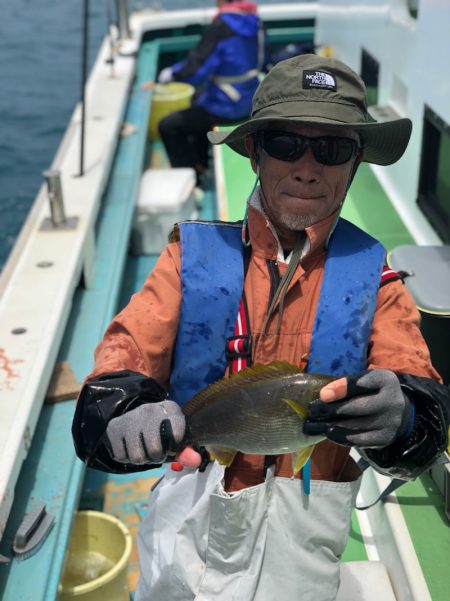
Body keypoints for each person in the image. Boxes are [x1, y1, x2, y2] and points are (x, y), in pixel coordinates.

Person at [72, 54, 450, 601]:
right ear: (254, 151)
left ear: (356, 161)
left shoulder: (380, 283)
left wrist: (409, 415)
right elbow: (125, 351)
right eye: (285, 144)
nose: (306, 166)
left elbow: (419, 392)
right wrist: (117, 409)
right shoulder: (188, 257)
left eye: (332, 148)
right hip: (187, 518)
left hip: (306, 543)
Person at [156, 0, 268, 185]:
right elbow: (264, 60)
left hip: (226, 107)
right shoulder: (255, 21)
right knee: (197, 100)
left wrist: (171, 74)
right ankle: (201, 162)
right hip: (250, 99)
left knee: (168, 126)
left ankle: (193, 179)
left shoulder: (221, 25)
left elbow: (196, 71)